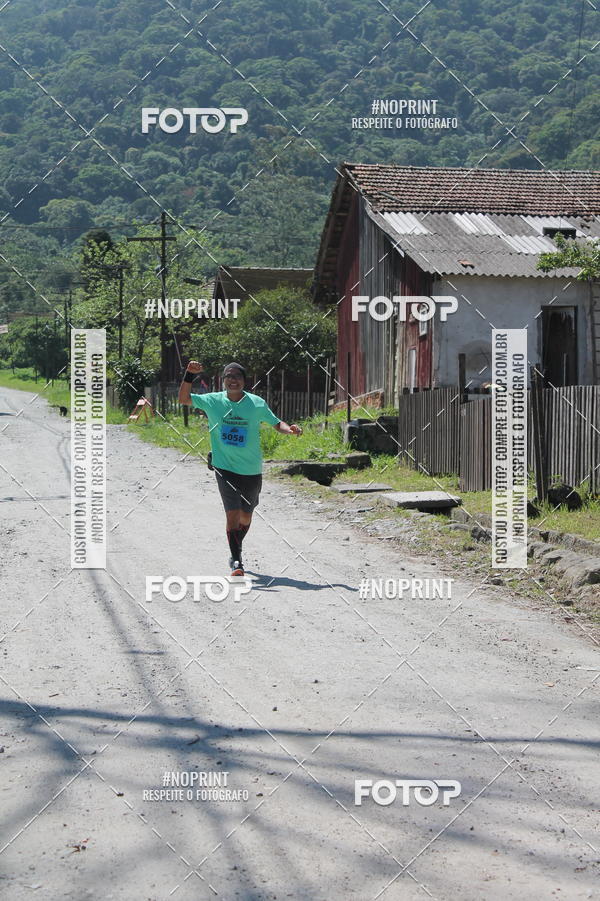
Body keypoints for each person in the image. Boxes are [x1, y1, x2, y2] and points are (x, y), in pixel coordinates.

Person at [178, 360, 302, 576]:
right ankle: (237, 561)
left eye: (237, 376)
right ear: (223, 380)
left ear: (244, 381)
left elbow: (276, 423)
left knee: (246, 516)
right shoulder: (212, 401)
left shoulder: (256, 404)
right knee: (233, 514)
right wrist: (189, 374)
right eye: (229, 376)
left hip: (251, 469)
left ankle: (236, 545)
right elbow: (183, 398)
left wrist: (289, 430)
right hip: (224, 466)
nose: (233, 380)